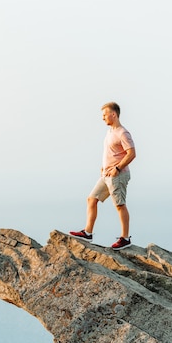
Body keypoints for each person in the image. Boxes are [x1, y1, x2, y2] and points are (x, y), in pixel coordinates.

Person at [70, 101, 136, 250]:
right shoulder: (110, 131)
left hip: (118, 175)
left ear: (113, 114)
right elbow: (112, 152)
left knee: (120, 205)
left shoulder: (122, 133)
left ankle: (125, 238)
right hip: (106, 174)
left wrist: (117, 168)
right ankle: (88, 233)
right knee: (91, 199)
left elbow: (132, 153)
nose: (103, 118)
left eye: (105, 114)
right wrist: (104, 166)